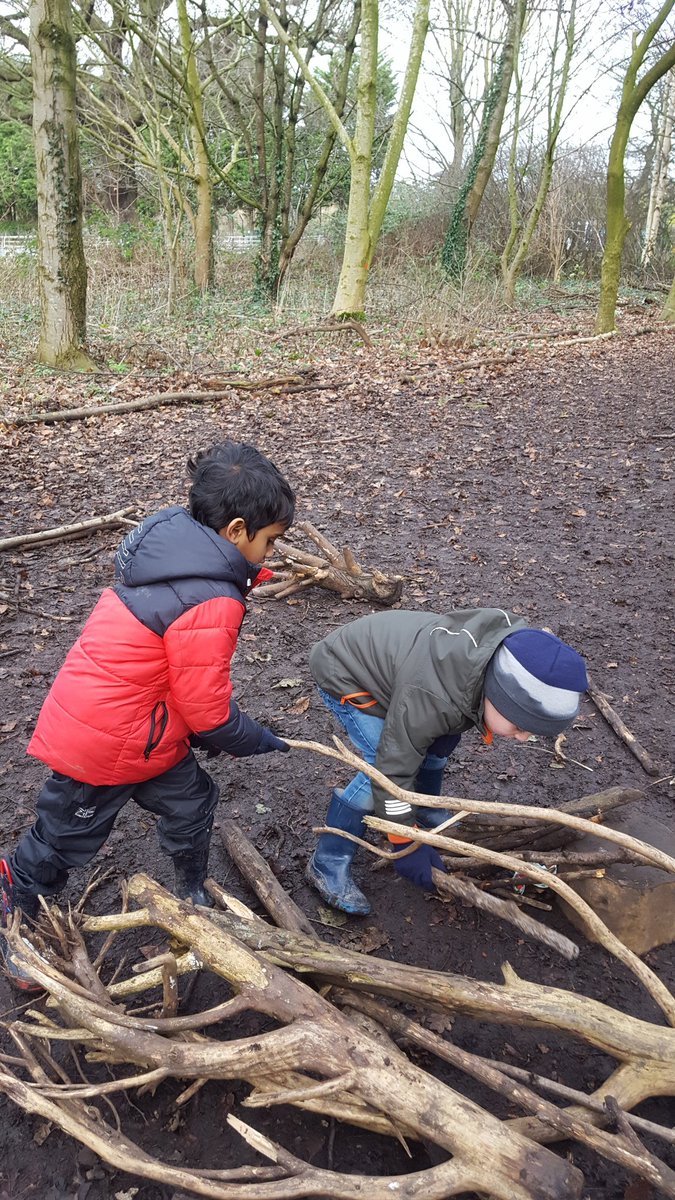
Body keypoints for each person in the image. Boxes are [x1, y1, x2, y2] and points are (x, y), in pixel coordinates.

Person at [1, 441, 295, 989]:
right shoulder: (211, 598)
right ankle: (15, 909)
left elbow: (180, 684)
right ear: (235, 531)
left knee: (192, 802)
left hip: (145, 733)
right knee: (63, 837)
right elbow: (207, 708)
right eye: (269, 541)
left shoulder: (173, 555)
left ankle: (190, 891)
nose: (270, 553)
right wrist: (253, 737)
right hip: (105, 743)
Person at [306, 607, 588, 915]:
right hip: (347, 672)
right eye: (519, 726)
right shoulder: (435, 695)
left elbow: (441, 722)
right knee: (377, 765)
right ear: (496, 693)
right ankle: (327, 862)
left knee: (436, 740)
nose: (522, 737)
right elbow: (393, 768)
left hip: (405, 676)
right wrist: (403, 841)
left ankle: (425, 810)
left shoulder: (508, 656)